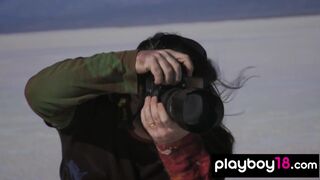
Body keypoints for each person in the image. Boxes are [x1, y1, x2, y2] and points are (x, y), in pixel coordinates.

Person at [25, 33, 234, 180]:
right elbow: (40, 93)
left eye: (191, 91)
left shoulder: (210, 141)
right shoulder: (91, 110)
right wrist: (128, 63)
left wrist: (177, 150)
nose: (186, 101)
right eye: (170, 85)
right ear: (139, 85)